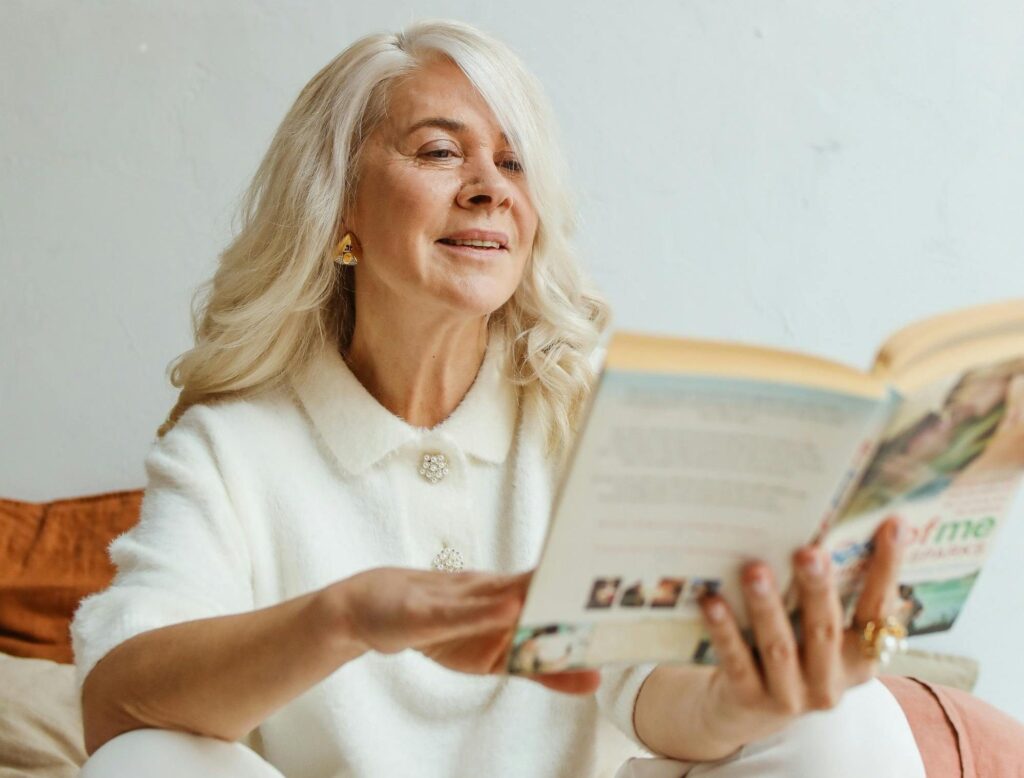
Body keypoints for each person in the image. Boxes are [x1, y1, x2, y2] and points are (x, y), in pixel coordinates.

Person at [71, 20, 930, 777]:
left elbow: (654, 692)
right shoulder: (233, 451)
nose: (491, 186)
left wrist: (755, 696)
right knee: (144, 760)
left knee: (849, 724)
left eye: (512, 161)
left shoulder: (587, 411)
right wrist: (351, 616)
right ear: (339, 210)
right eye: (440, 151)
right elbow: (118, 701)